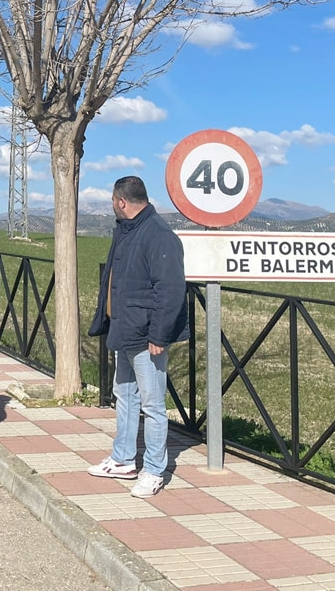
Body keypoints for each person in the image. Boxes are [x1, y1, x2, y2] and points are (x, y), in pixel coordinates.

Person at [86, 176, 188, 499]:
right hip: (125, 331)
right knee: (125, 395)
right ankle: (122, 459)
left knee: (153, 404)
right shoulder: (126, 230)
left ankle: (155, 470)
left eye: (112, 201)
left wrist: (159, 334)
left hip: (147, 337)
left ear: (121, 202)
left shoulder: (158, 235)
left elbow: (170, 291)